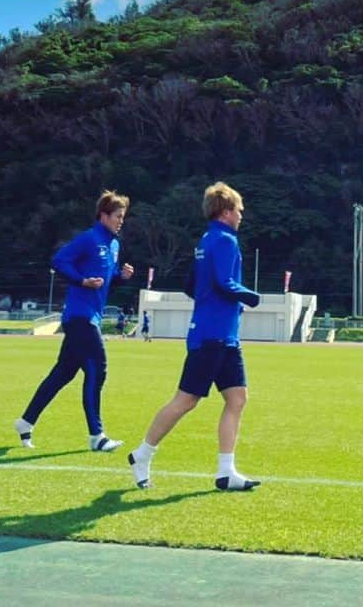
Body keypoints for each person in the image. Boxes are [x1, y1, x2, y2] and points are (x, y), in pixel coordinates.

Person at [128, 181, 260, 491]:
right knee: (186, 401)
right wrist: (252, 298)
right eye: (239, 211)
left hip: (222, 335)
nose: (242, 216)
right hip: (213, 335)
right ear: (226, 211)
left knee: (237, 398)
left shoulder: (205, 241)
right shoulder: (225, 241)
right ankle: (142, 454)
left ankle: (226, 471)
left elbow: (192, 284)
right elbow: (225, 282)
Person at [14, 191, 134, 452]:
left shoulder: (113, 245)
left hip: (91, 316)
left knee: (62, 374)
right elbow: (59, 260)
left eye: (123, 217)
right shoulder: (89, 239)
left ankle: (25, 422)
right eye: (117, 216)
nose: (121, 221)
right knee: (98, 370)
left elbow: (106, 275)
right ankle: (97, 436)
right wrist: (81, 281)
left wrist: (120, 275)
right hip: (80, 317)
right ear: (103, 216)